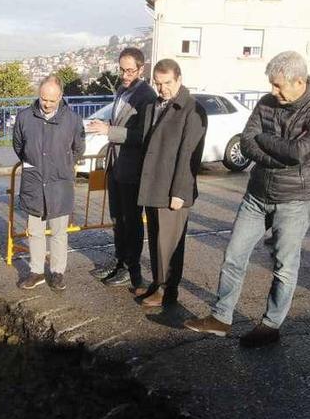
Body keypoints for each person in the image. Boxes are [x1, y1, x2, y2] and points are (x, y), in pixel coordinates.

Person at [184, 51, 310, 347]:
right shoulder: (267, 103)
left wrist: (266, 143)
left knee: (284, 266)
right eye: (271, 84)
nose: (272, 91)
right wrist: (275, 150)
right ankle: (220, 317)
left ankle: (270, 325)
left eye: (278, 86)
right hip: (256, 195)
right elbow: (246, 141)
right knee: (233, 256)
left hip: (294, 201)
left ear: (299, 81)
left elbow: (299, 152)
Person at [134, 59, 206, 308]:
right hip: (154, 186)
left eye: (167, 83)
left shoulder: (191, 109)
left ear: (179, 79)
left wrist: (179, 192)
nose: (162, 88)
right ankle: (157, 283)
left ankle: (168, 290)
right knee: (156, 241)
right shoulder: (157, 104)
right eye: (158, 83)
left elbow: (190, 155)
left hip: (172, 190)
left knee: (170, 243)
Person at [86, 48, 157, 288]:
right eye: (122, 70)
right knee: (117, 218)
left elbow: (143, 135)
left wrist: (110, 131)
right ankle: (118, 261)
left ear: (141, 69)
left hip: (132, 168)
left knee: (131, 221)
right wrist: (107, 124)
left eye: (130, 70)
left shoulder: (147, 95)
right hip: (115, 165)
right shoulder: (122, 90)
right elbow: (121, 123)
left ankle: (130, 266)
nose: (125, 75)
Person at [12, 75, 86, 291]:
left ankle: (57, 272)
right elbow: (18, 146)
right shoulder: (25, 117)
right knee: (34, 230)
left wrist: (62, 166)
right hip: (34, 183)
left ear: (60, 97)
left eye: (52, 100)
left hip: (60, 184)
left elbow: (78, 149)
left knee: (58, 232)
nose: (46, 104)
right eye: (43, 98)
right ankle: (36, 271)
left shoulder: (72, 120)